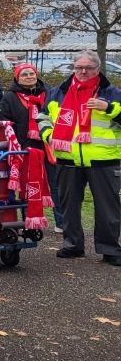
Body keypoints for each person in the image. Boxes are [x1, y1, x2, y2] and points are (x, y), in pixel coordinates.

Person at [40, 50, 121, 265]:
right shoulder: (59, 92)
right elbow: (42, 117)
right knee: (69, 206)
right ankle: (73, 245)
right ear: (74, 68)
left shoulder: (112, 93)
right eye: (79, 67)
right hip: (68, 157)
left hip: (103, 159)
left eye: (88, 68)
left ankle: (110, 249)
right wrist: (49, 136)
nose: (83, 72)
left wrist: (109, 108)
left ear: (98, 69)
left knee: (108, 208)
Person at [0, 63, 63, 232]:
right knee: (29, 186)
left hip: (48, 147)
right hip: (24, 149)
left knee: (56, 185)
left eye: (31, 73)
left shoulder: (49, 94)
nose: (29, 77)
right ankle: (30, 221)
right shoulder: (10, 98)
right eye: (24, 74)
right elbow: (5, 122)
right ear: (17, 78)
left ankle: (61, 223)